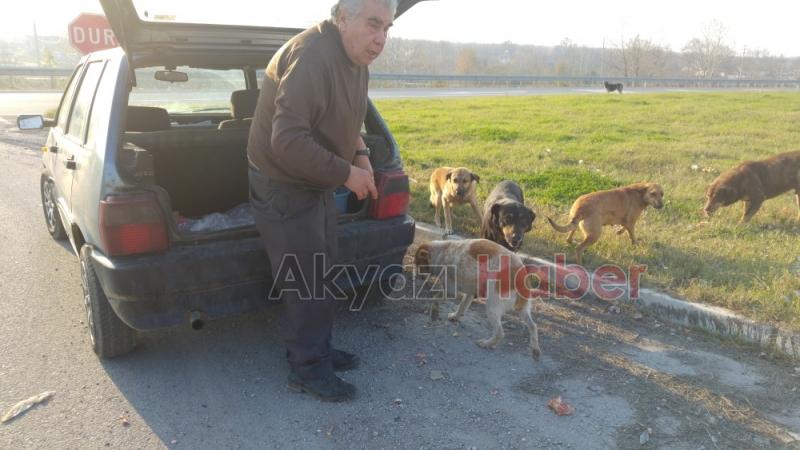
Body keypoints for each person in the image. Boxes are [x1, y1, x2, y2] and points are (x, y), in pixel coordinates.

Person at [246, 0, 397, 402]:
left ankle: (320, 350)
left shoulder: (355, 57)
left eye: (387, 28)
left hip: (315, 181)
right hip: (283, 183)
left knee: (323, 268)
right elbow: (287, 141)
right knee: (307, 281)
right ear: (342, 18)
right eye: (373, 24)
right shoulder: (312, 57)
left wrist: (360, 156)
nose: (380, 38)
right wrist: (348, 173)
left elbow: (349, 120)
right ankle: (308, 370)